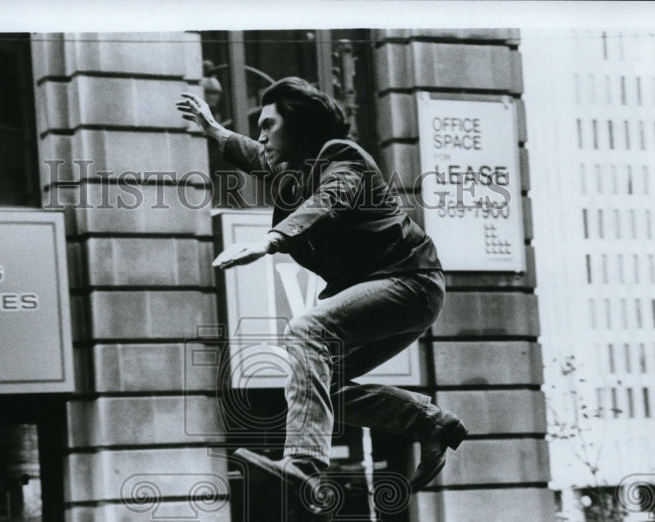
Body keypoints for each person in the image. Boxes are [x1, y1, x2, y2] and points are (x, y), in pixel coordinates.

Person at [177, 78, 466, 500]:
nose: (261, 136)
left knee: (306, 330)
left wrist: (269, 240)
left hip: (408, 281)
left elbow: (329, 201)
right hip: (394, 290)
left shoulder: (342, 158)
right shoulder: (292, 172)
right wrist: (213, 130)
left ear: (299, 127)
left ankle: (305, 462)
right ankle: (429, 423)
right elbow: (255, 155)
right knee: (320, 385)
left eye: (269, 126)